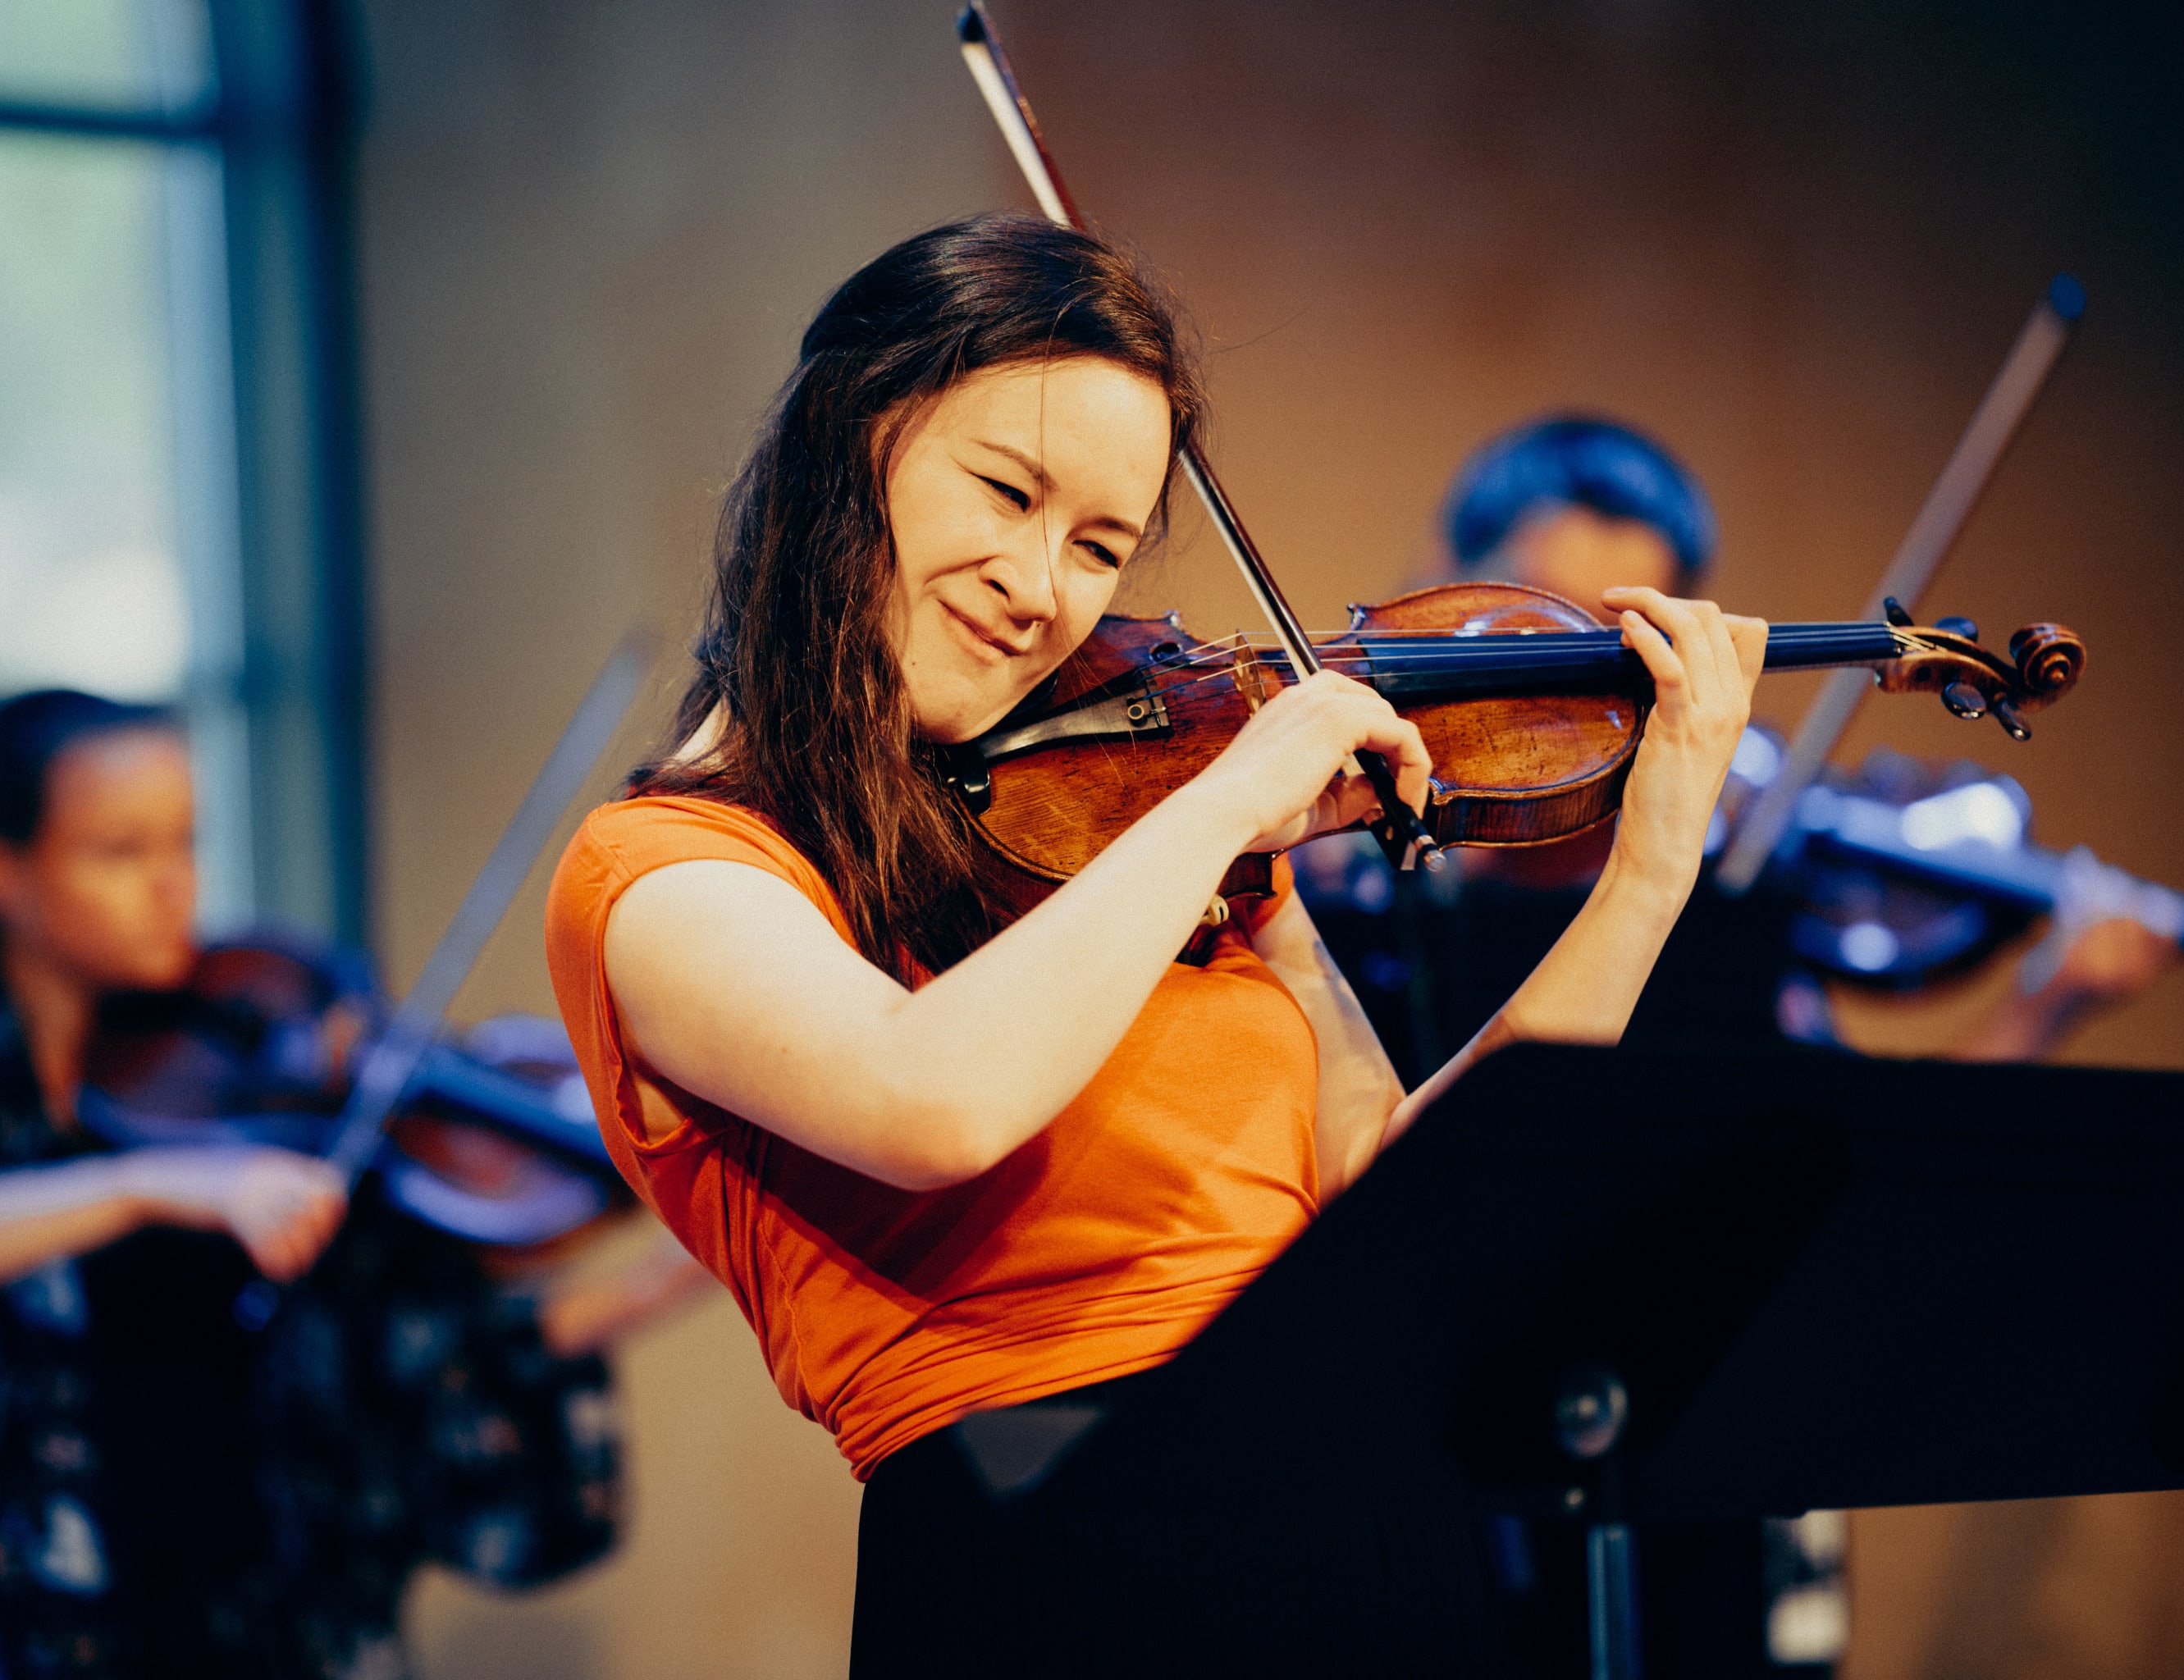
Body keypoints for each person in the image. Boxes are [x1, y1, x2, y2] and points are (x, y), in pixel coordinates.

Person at [541, 215, 1767, 1674]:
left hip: (1370, 1516)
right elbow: (931, 1099)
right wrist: (1233, 796)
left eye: (1099, 543)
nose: (1043, 585)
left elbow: (1408, 1205)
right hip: (1066, 1550)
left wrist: (1652, 863)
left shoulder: (1157, 828)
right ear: (846, 439)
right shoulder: (667, 872)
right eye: (1005, 490)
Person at [0, 689, 692, 1680]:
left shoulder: (257, 1079)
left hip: (261, 1633)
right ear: (2, 873)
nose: (172, 885)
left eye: (183, 844)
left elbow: (428, 1351)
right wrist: (146, 1185)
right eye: (120, 852)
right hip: (19, 1636)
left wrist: (666, 1274)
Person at [1305, 413, 2184, 1084]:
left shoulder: (1712, 888)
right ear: (1443, 574)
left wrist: (2045, 1007)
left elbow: (1850, 1171)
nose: (1567, 677)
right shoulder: (1319, 846)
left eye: (1617, 641)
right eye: (1540, 620)